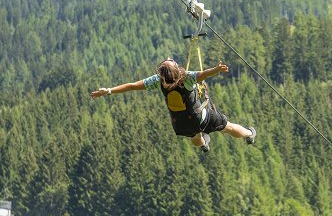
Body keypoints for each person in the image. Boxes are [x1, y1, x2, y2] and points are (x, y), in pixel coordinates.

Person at [90, 58, 256, 152]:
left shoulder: (158, 81)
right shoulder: (187, 77)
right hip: (201, 119)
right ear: (177, 68)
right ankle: (249, 134)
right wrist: (216, 69)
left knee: (195, 136)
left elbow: (132, 86)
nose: (171, 59)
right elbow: (204, 74)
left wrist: (109, 90)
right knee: (228, 127)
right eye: (171, 61)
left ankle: (203, 142)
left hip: (181, 126)